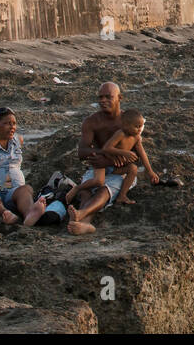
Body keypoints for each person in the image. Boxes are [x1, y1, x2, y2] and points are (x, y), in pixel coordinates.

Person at [64, 82, 160, 233]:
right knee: (86, 192)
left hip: (121, 171)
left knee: (103, 191)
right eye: (100, 97)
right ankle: (84, 224)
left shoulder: (130, 122)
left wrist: (149, 171)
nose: (103, 100)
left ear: (120, 98)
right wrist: (103, 156)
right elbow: (81, 152)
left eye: (108, 97)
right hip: (98, 166)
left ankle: (82, 218)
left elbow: (135, 157)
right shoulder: (92, 121)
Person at [65, 109, 156, 207]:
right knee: (99, 181)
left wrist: (150, 171)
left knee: (133, 169)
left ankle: (122, 196)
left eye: (141, 126)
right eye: (136, 126)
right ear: (125, 125)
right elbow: (106, 148)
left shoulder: (136, 137)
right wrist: (124, 153)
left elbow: (142, 154)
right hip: (102, 161)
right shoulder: (120, 134)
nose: (139, 130)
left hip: (116, 167)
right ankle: (77, 188)